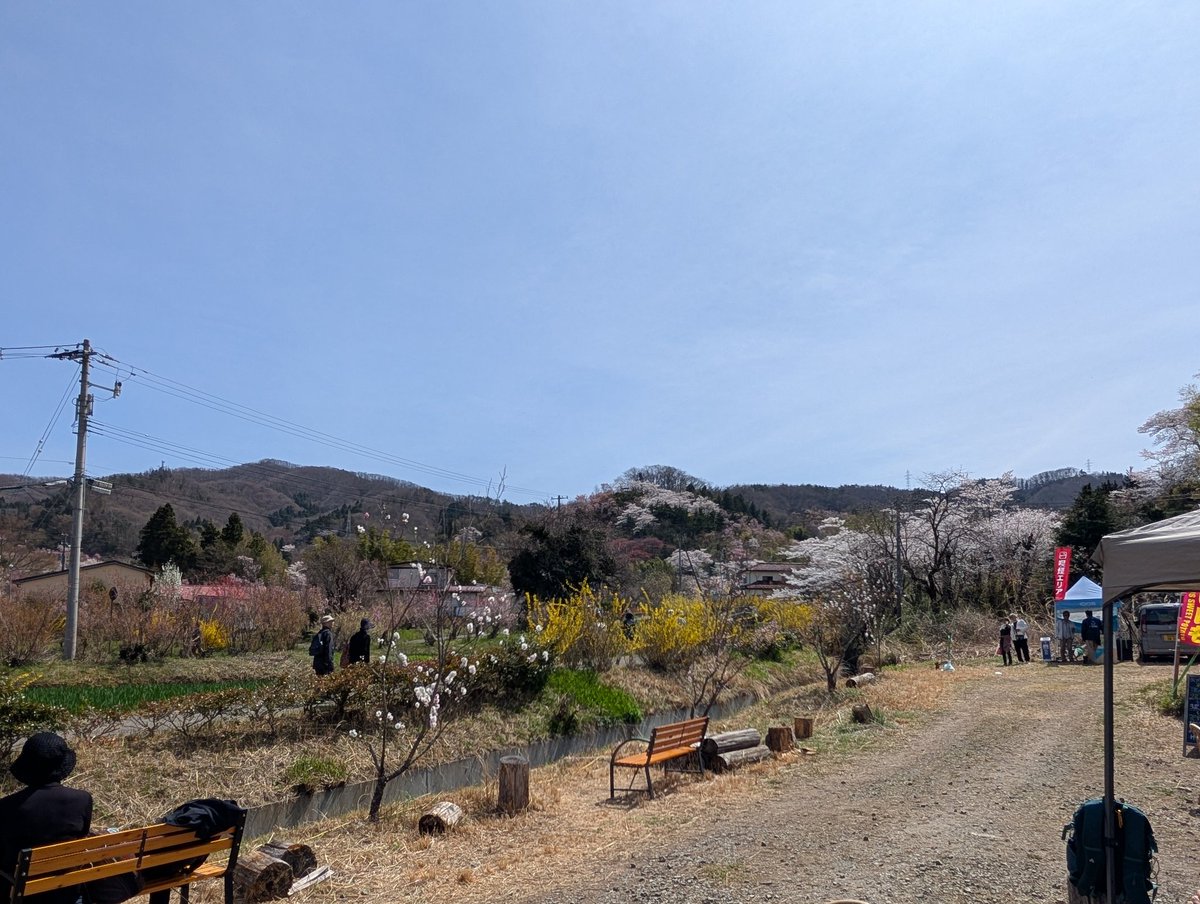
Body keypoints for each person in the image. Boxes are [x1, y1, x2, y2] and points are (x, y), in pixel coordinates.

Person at [0, 732, 94, 904]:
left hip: (20, 895)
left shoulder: (7, 806)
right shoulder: (82, 799)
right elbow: (82, 837)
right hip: (68, 892)